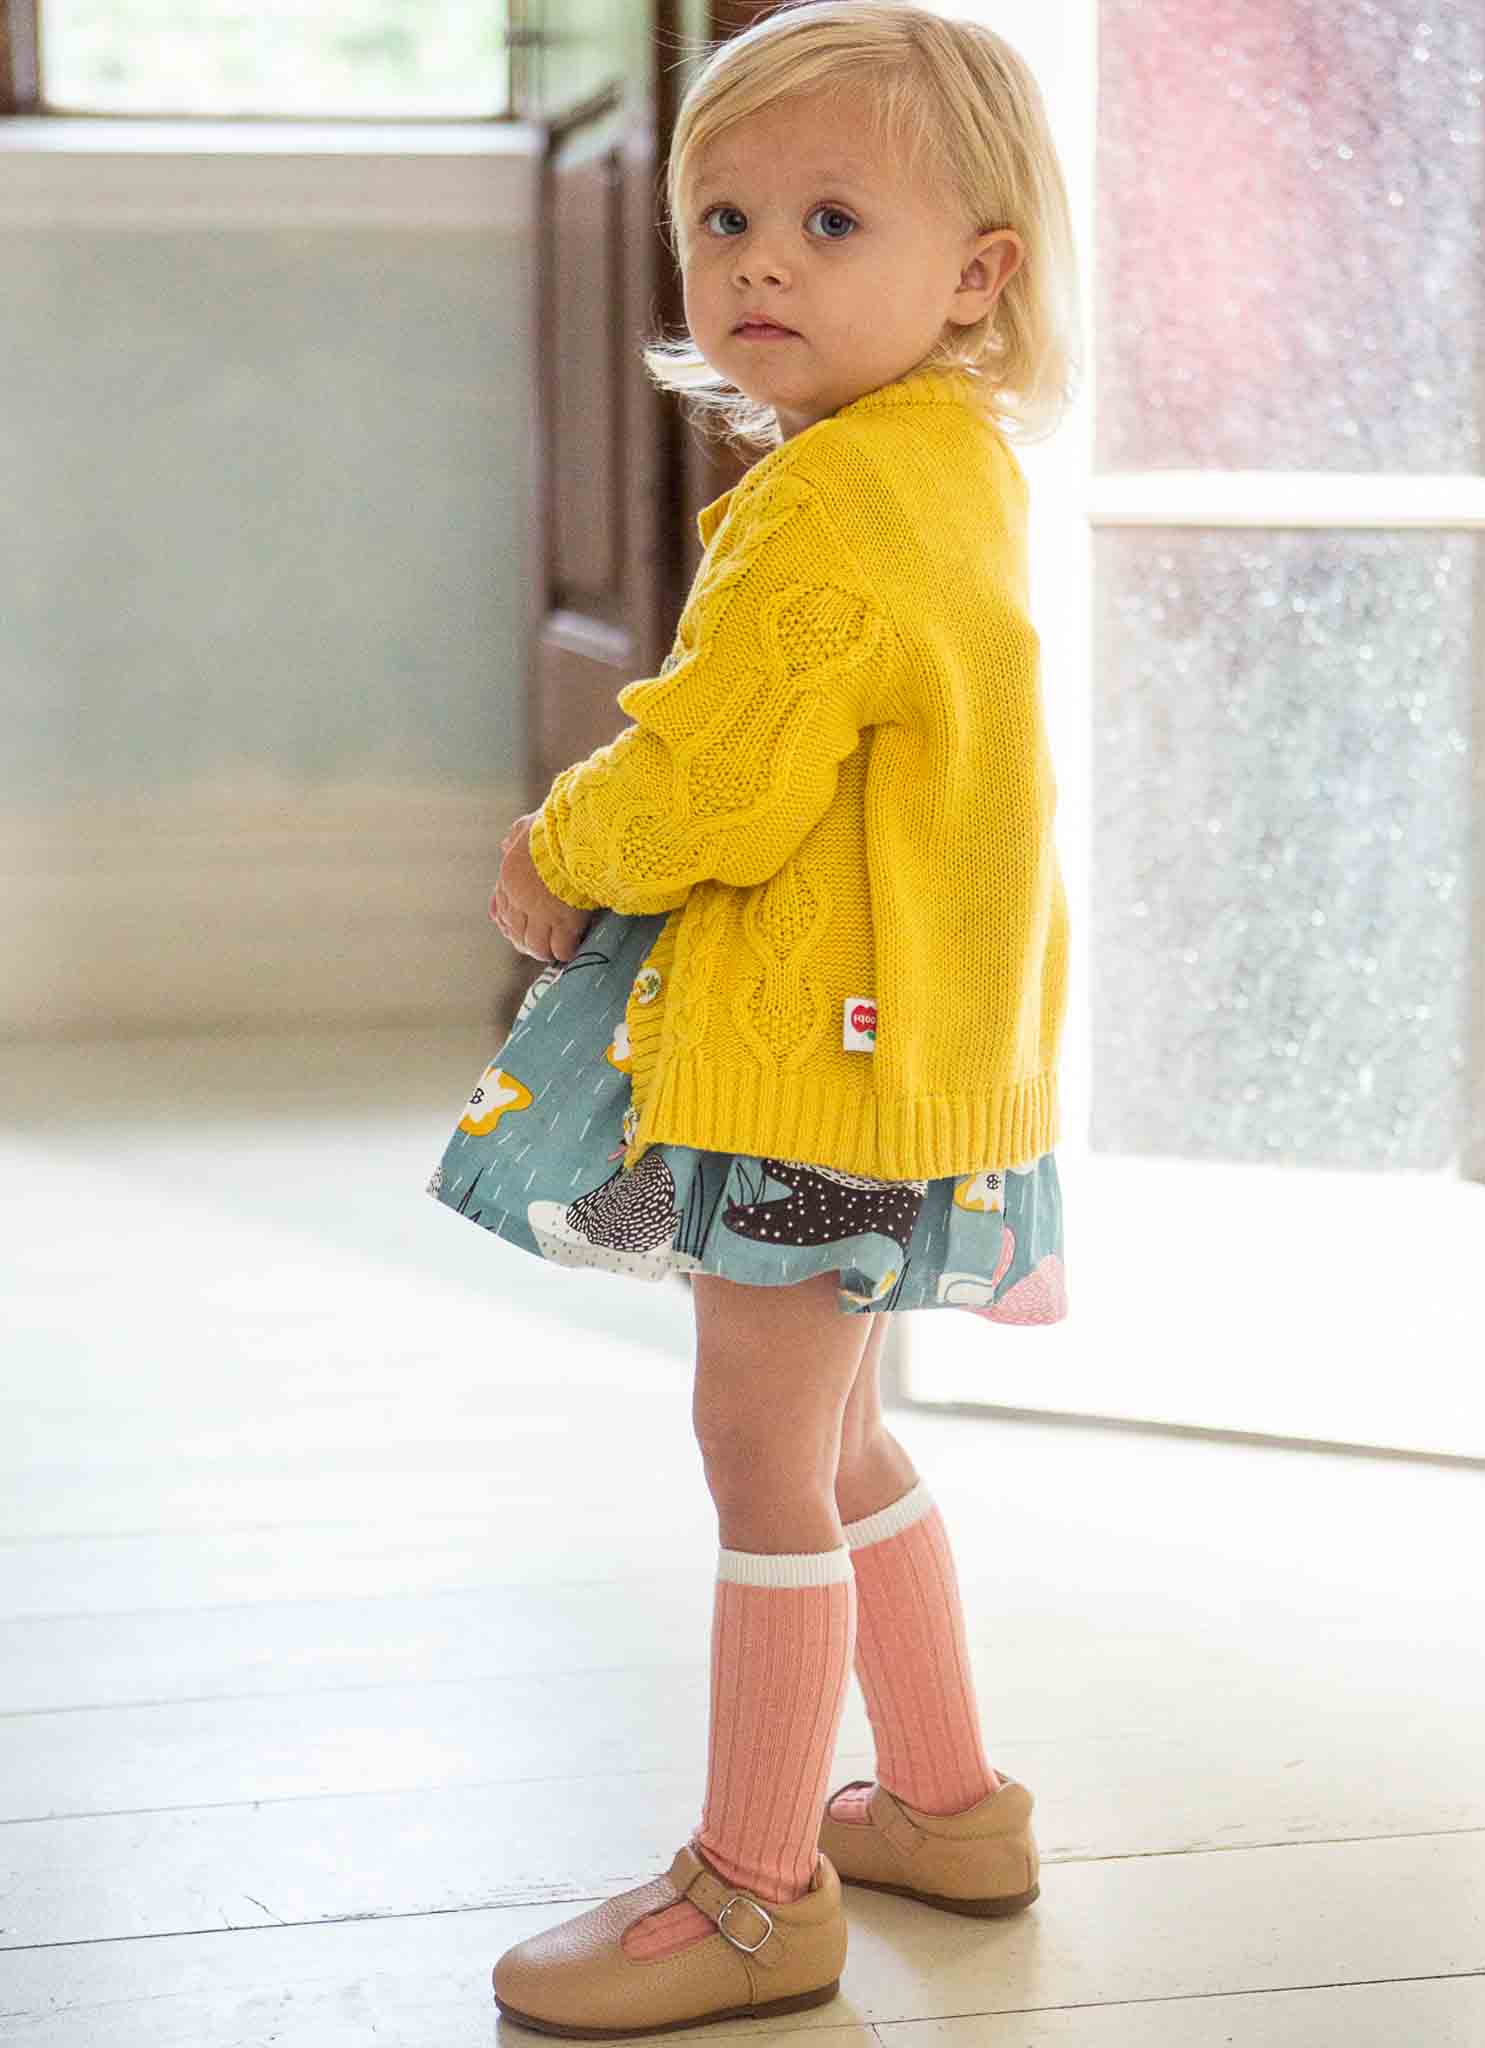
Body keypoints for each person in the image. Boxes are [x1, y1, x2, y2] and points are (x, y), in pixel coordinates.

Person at [425, 2, 1082, 2033]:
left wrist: (566, 841)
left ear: (978, 273)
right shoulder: (942, 466)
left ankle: (754, 1883)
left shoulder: (823, 511)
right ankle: (950, 1803)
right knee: (840, 1424)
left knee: (756, 1443)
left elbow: (716, 773)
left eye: (827, 217)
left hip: (820, 1062)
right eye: (724, 216)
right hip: (922, 1057)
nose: (761, 261)